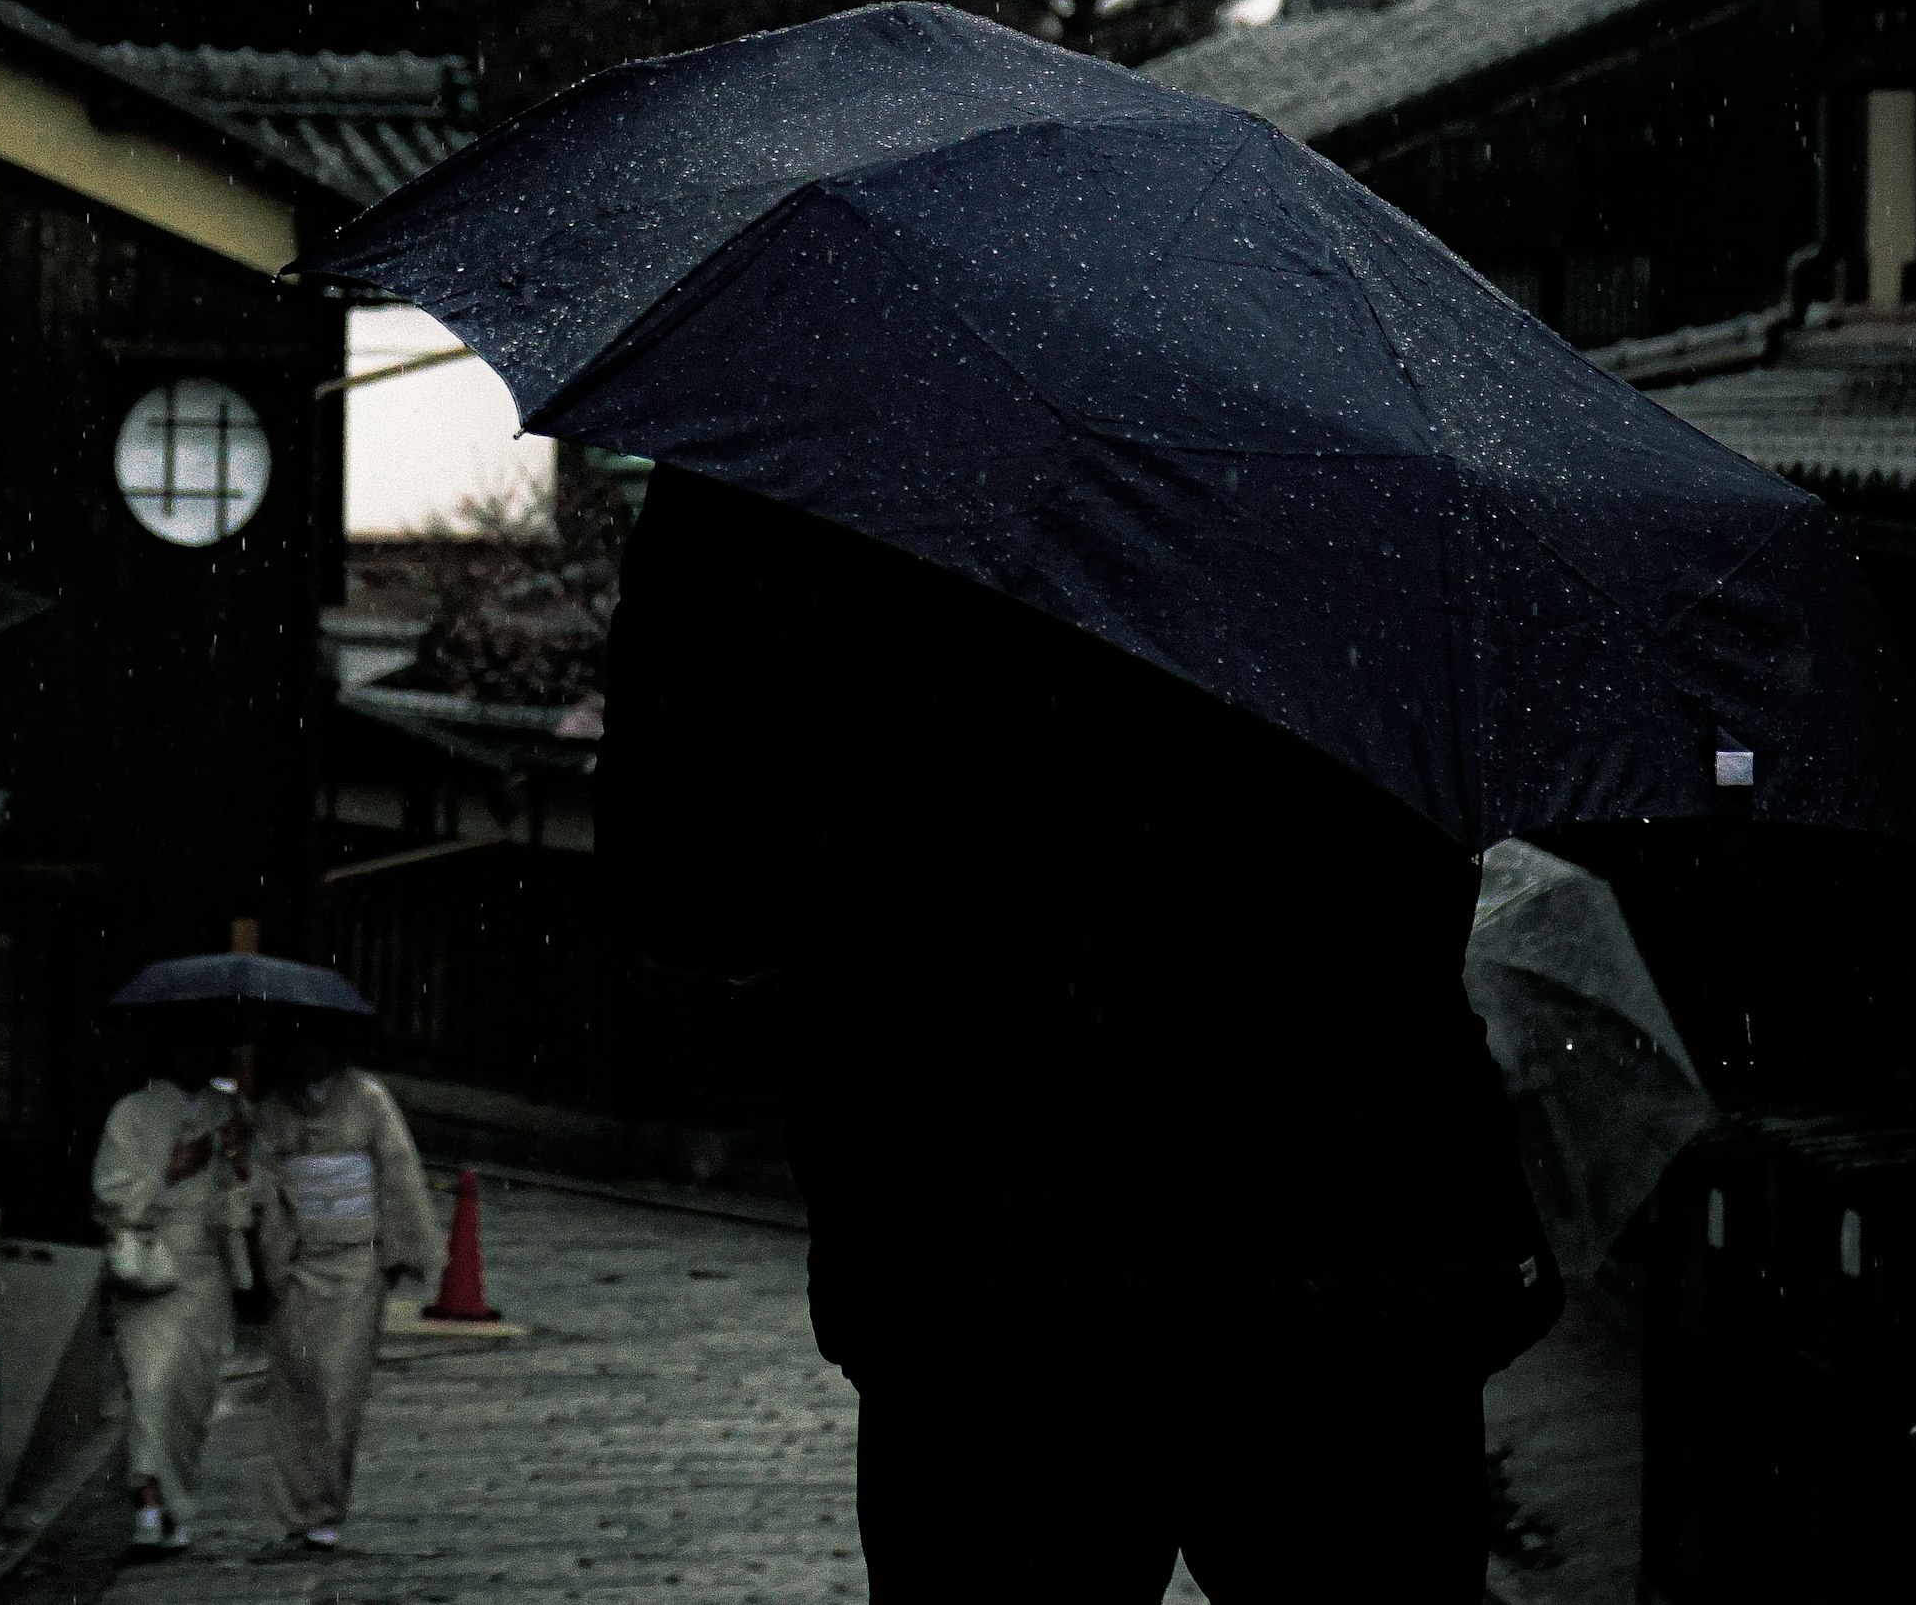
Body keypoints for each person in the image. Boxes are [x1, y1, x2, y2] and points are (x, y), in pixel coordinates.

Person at [604, 467, 1555, 1603]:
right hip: (1344, 1228)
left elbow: (685, 888)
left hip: (985, 1238)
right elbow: (1445, 839)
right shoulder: (1371, 456)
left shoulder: (810, 431)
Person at [245, 1025, 445, 1555]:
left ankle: (327, 1508)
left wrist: (400, 1252)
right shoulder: (272, 1110)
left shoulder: (369, 1099)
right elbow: (261, 1183)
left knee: (340, 1388)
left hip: (355, 1262)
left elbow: (398, 1173)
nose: (305, 1053)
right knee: (295, 1387)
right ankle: (297, 1512)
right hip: (297, 1260)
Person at [90, 1027, 255, 1554]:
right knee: (149, 1386)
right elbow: (110, 1196)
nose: (194, 1053)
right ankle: (148, 1505)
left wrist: (238, 1164)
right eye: (184, 1043)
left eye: (204, 1044)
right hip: (154, 1266)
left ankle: (174, 1502)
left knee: (191, 1393)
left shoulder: (231, 1110)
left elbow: (250, 1195)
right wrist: (172, 1169)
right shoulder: (131, 1113)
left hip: (206, 1268)